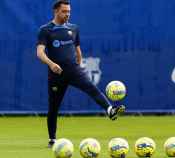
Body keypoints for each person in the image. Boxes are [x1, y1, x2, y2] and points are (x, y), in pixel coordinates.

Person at [36, 0, 125, 148]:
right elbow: (39, 52)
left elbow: (77, 49)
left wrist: (78, 63)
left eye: (69, 11)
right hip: (56, 74)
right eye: (64, 11)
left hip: (74, 70)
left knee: (91, 87)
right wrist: (51, 64)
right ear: (56, 11)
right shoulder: (45, 30)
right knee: (53, 107)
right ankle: (52, 139)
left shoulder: (74, 28)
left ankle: (110, 110)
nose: (67, 14)